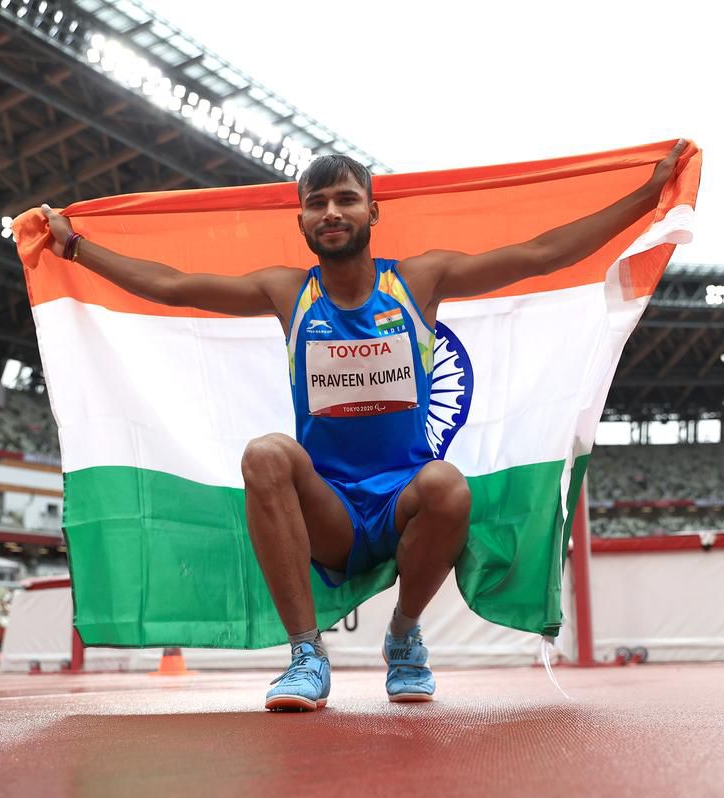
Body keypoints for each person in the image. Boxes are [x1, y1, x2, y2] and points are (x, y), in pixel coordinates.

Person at [40, 141, 686, 711]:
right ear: (301, 220)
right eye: (317, 202)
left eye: (346, 199)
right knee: (266, 453)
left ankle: (404, 635)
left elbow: (542, 253)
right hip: (331, 511)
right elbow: (172, 285)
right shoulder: (289, 292)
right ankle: (304, 656)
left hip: (403, 500)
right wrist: (76, 247)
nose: (332, 213)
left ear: (372, 212)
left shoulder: (418, 281)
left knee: (448, 485)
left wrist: (646, 198)